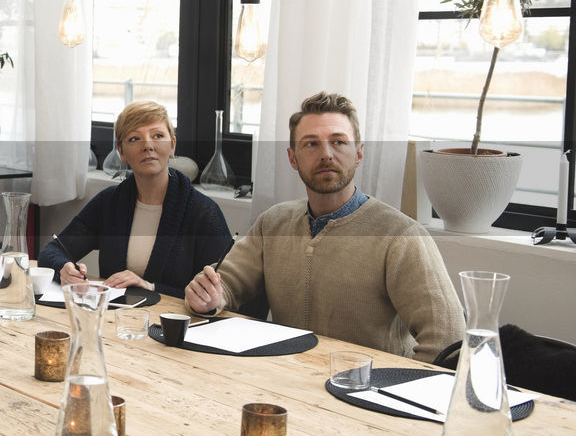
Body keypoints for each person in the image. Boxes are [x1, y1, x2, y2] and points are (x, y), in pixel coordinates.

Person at [184, 91, 465, 362]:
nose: (326, 154)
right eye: (311, 144)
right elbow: (228, 285)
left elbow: (448, 340)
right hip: (286, 382)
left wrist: (396, 390)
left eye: (339, 142)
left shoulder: (401, 236)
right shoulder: (273, 222)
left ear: (358, 154)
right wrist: (209, 296)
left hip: (365, 396)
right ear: (293, 158)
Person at [38, 100, 233, 298]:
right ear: (121, 152)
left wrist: (149, 286)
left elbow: (223, 293)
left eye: (158, 136)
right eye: (134, 139)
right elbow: (51, 252)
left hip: (175, 326)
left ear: (172, 145)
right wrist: (64, 269)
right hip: (116, 320)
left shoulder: (203, 212)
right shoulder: (109, 203)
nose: (148, 145)